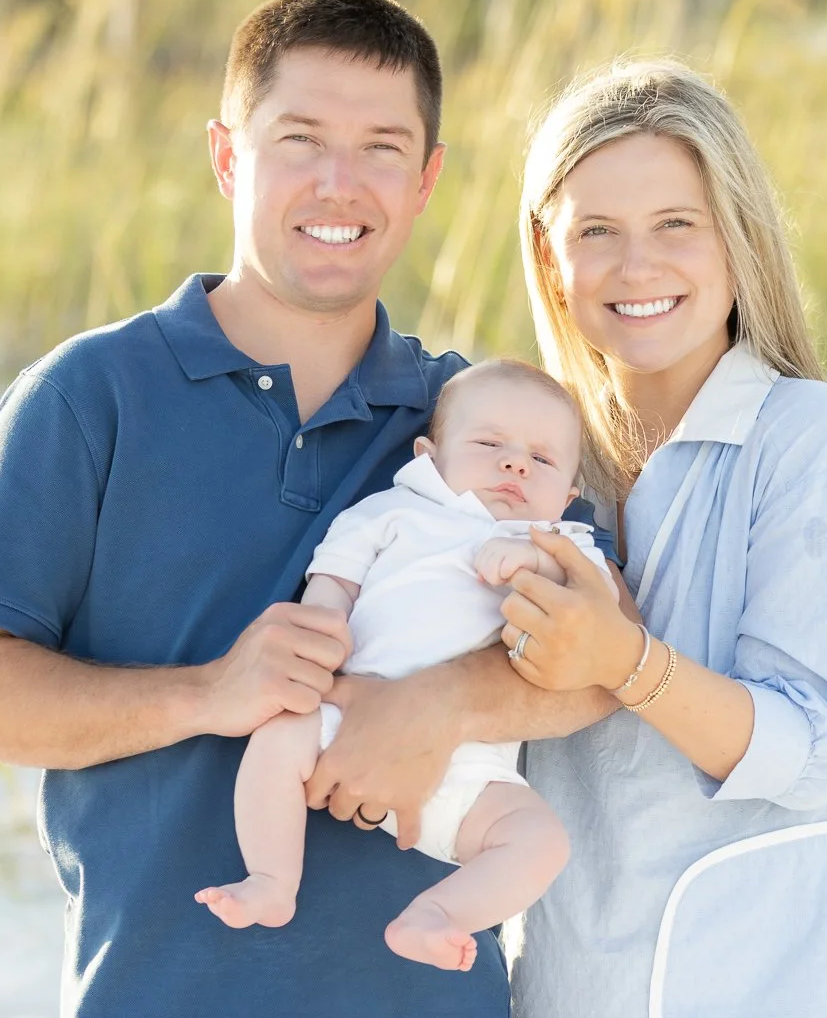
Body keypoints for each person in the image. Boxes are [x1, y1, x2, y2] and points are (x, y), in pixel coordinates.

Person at [0, 0, 603, 1018]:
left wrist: (436, 704)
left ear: (426, 180)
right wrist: (207, 693)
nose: (340, 186)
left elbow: (605, 659)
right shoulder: (89, 396)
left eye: (380, 150)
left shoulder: (476, 424)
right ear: (228, 156)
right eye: (300, 142)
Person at [365, 58, 827, 1018]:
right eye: (595, 229)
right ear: (549, 259)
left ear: (739, 239)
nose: (635, 263)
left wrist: (621, 656)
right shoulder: (543, 476)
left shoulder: (808, 442)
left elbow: (808, 749)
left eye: (674, 223)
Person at [197, 360, 610, 972]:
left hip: (470, 760)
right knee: (278, 736)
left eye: (542, 461)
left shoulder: (560, 543)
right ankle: (271, 879)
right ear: (429, 454)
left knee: (541, 842)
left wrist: (535, 561)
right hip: (344, 712)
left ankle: (436, 915)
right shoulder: (391, 512)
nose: (516, 465)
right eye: (490, 444)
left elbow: (595, 617)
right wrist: (323, 632)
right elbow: (332, 580)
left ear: (569, 494)